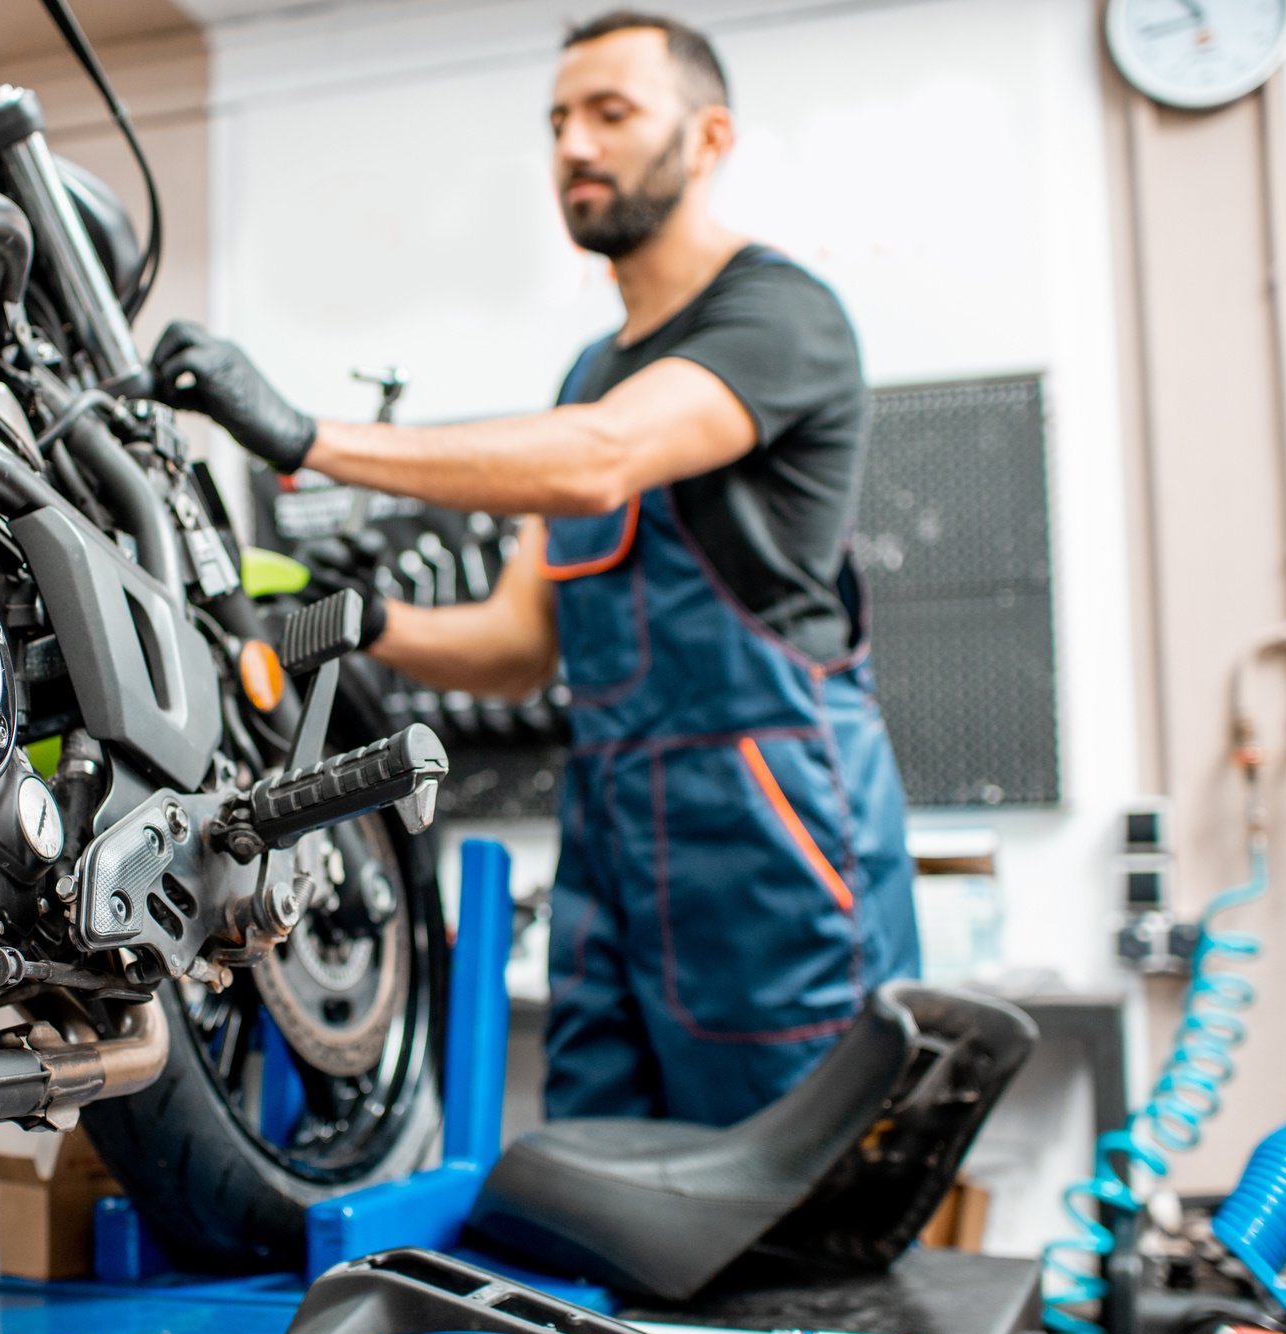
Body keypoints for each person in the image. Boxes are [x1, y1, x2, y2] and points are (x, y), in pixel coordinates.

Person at [153, 10, 920, 1127]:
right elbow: (517, 651)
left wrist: (303, 438)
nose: (573, 144)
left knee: (783, 1172)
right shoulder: (588, 374)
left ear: (707, 139)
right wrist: (365, 622)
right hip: (612, 827)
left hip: (766, 819)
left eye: (611, 114)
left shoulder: (778, 316)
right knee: (601, 1161)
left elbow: (600, 463)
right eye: (560, 119)